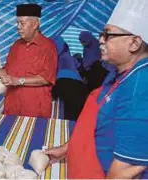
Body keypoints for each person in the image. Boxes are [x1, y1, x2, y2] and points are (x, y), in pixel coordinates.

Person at [45, 0, 148, 178]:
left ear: (134, 43)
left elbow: (125, 170)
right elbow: (100, 127)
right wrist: (66, 149)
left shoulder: (139, 89)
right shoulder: (119, 73)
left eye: (107, 35)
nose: (100, 39)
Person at [0, 4, 57, 118]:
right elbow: (8, 71)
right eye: (17, 23)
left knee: (33, 135)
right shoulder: (16, 45)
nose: (18, 27)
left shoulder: (48, 47)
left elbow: (46, 78)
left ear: (35, 24)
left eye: (22, 23)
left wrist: (19, 81)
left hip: (35, 107)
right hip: (13, 104)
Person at [51, 36, 89, 120]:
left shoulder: (55, 57)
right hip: (78, 84)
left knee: (63, 110)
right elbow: (78, 66)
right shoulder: (68, 56)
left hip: (61, 82)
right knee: (76, 111)